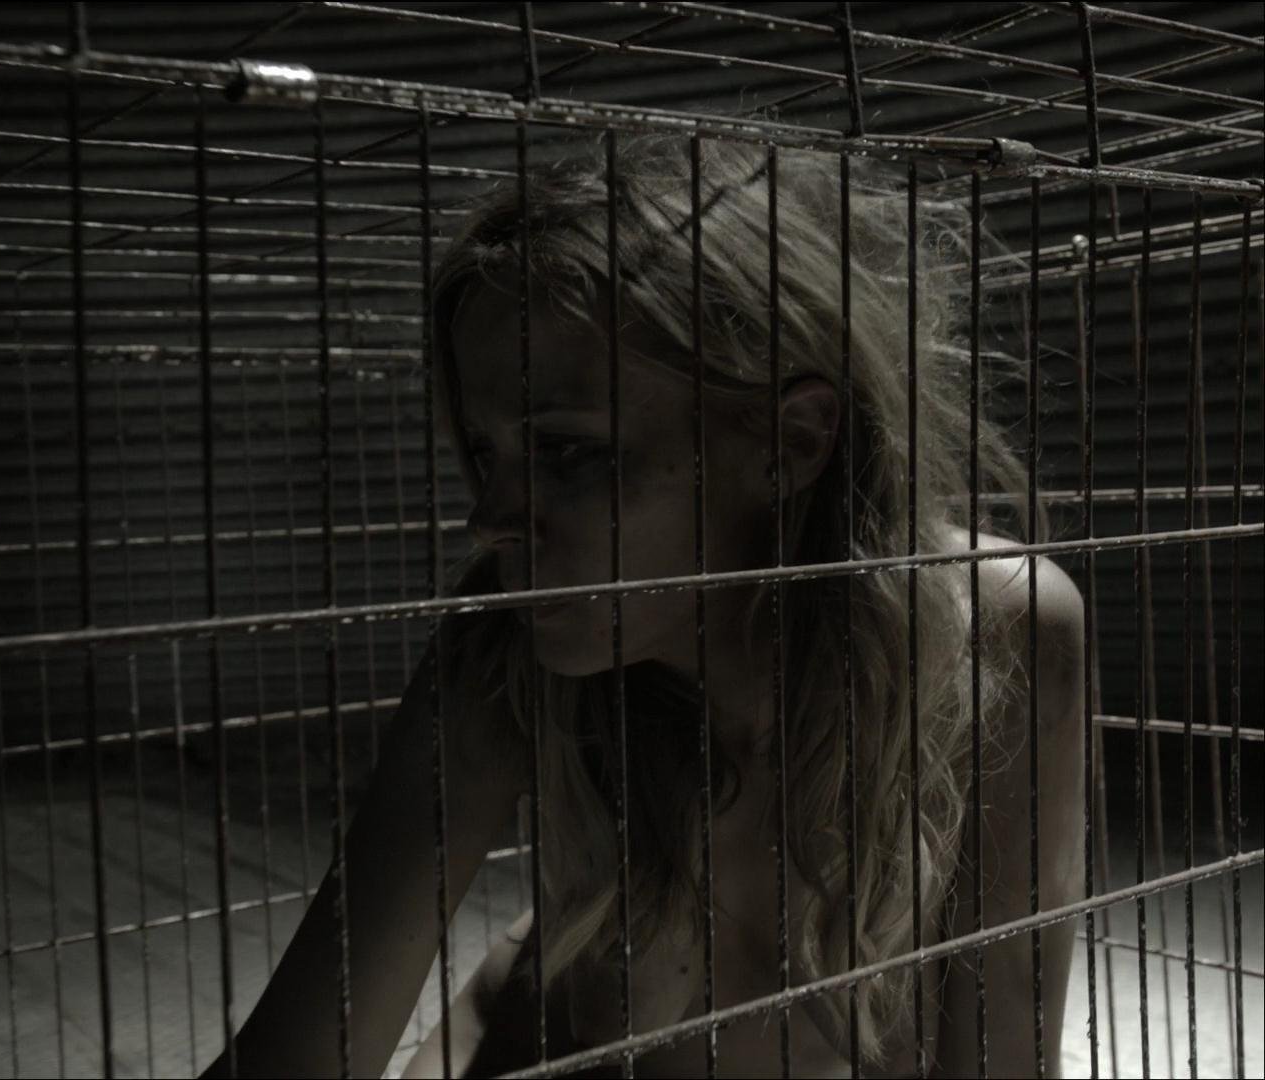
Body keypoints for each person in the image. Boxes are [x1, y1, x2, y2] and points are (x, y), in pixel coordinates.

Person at [203, 134, 1087, 1078]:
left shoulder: (995, 625)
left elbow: (1002, 1055)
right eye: (487, 454)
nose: (488, 520)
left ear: (790, 441)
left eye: (569, 453)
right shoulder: (499, 649)